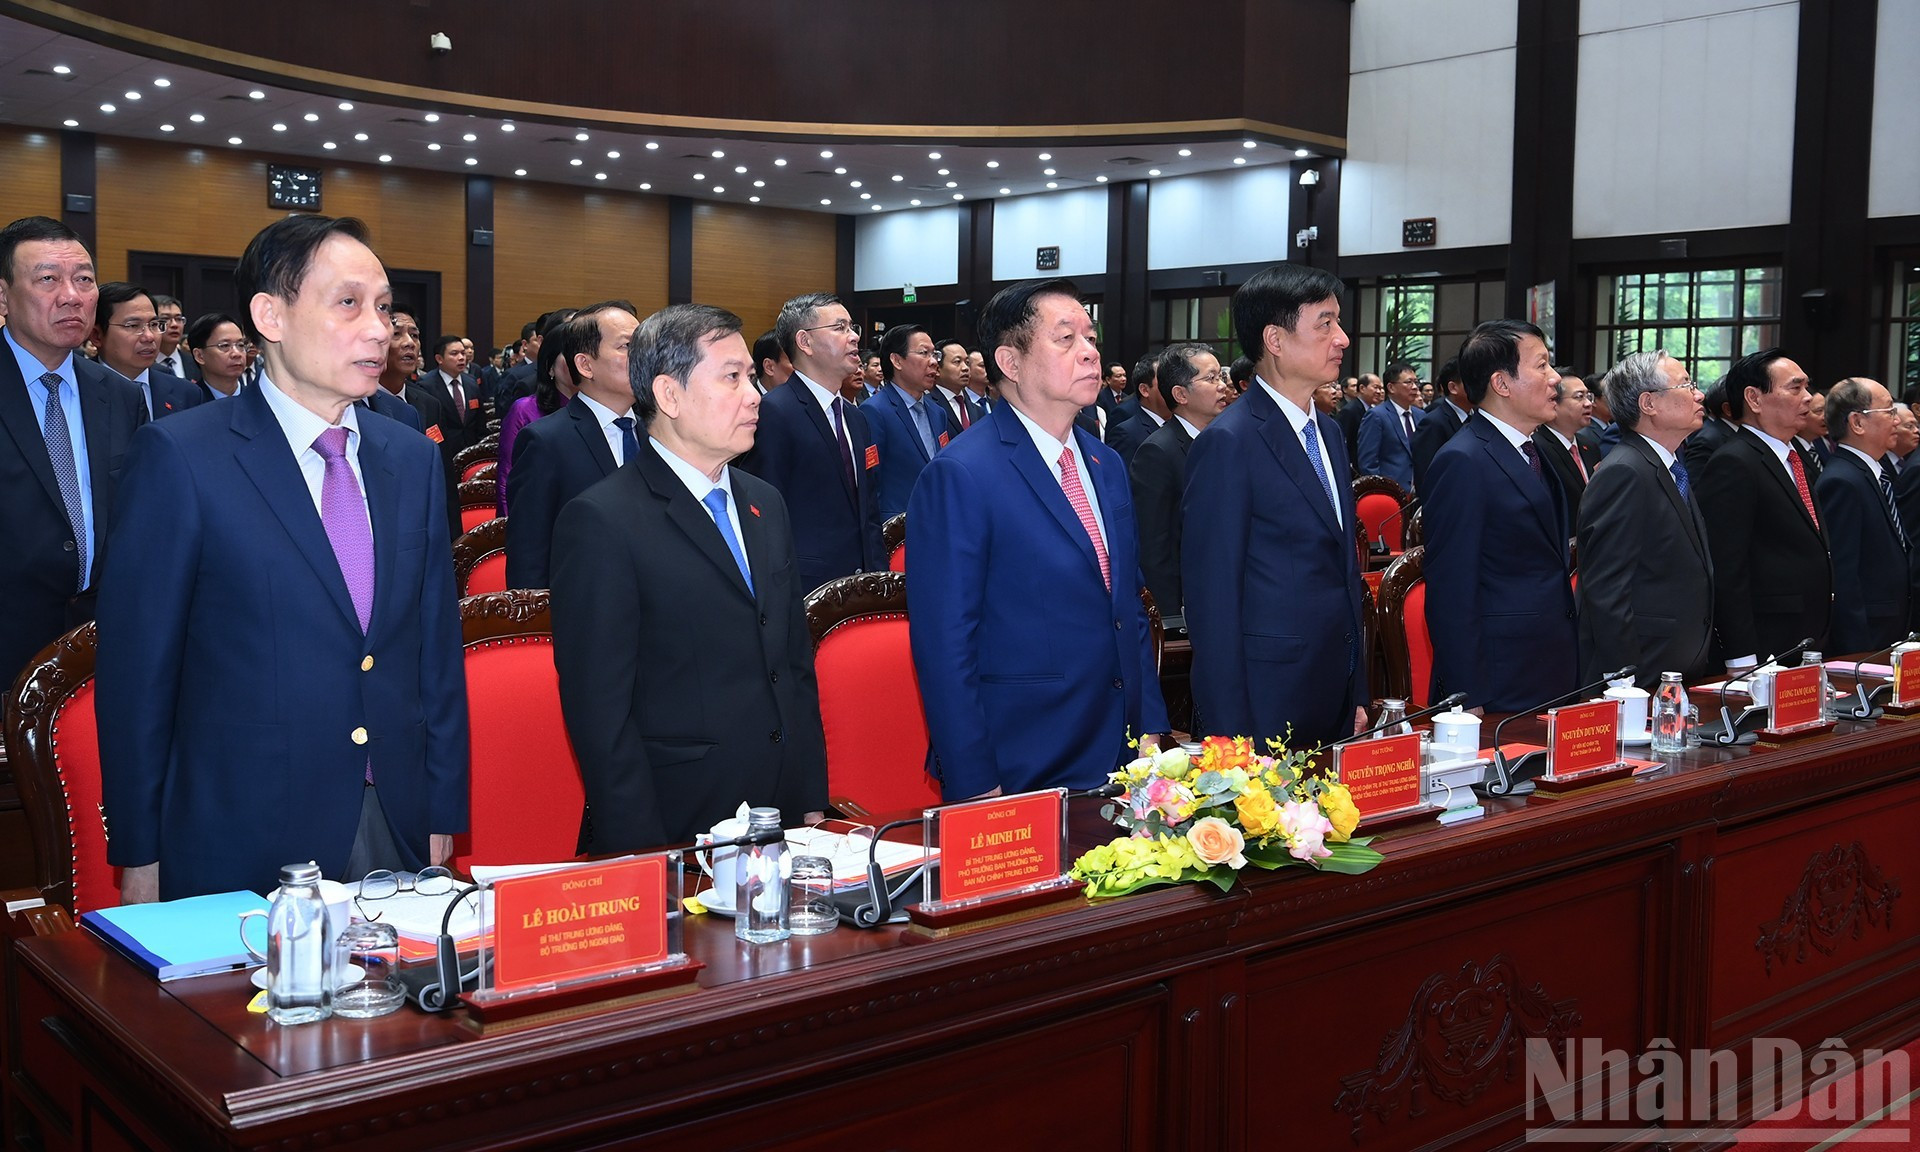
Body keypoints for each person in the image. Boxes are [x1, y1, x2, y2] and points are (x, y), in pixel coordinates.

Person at [95, 214, 469, 901]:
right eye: (349, 303)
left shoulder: (410, 457)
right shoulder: (183, 457)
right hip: (242, 829)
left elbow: (435, 651)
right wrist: (140, 852)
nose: (379, 329)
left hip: (395, 817)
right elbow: (138, 677)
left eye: (384, 307)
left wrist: (442, 806)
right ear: (270, 316)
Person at [550, 303, 827, 851]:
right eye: (732, 377)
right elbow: (600, 713)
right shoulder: (602, 520)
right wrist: (643, 850)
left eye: (751, 377)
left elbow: (794, 664)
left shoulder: (765, 503)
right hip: (675, 820)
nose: (755, 395)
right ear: (669, 396)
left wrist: (809, 795)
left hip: (780, 812)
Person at [908, 279, 1169, 798]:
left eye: (1090, 337)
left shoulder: (1106, 463)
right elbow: (945, 644)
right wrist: (975, 780)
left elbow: (1129, 605)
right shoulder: (962, 473)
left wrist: (1150, 727)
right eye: (1066, 338)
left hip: (1121, 752)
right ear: (1010, 361)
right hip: (1022, 759)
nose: (1090, 352)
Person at [1183, 265, 1370, 747]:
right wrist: (1228, 731)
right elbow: (1213, 598)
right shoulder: (1230, 441)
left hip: (1335, 686)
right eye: (1325, 324)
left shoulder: (1329, 433)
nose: (1342, 339)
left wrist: (1358, 691)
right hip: (1266, 699)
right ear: (1275, 339)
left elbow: (1343, 569)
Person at [0, 216, 146, 688]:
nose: (72, 296)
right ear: (3, 296)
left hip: (102, 650)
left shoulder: (121, 396)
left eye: (84, 279)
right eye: (48, 279)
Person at [1423, 319, 1577, 712]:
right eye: (1541, 365)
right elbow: (1452, 589)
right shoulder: (1463, 459)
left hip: (1550, 668)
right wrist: (1468, 695)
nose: (1555, 378)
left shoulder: (1533, 449)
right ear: (1502, 383)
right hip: (1498, 682)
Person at [1575, 351, 1714, 688]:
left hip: (1675, 663)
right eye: (1686, 385)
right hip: (1641, 671)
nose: (1699, 395)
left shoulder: (1668, 466)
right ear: (1649, 403)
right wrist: (1621, 679)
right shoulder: (1625, 471)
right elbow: (1607, 585)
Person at [736, 292, 885, 594]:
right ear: (805, 342)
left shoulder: (855, 418)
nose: (854, 337)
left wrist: (878, 575)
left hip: (862, 584)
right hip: (806, 587)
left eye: (852, 327)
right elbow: (764, 515)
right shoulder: (775, 412)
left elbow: (868, 509)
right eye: (840, 328)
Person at [1696, 348, 1832, 669]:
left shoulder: (1793, 455)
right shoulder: (1735, 461)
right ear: (1754, 399)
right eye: (1795, 388)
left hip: (1806, 636)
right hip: (1765, 644)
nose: (1808, 397)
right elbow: (1727, 566)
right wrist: (1740, 654)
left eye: (1806, 387)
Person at [506, 304, 641, 590]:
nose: (644, 355)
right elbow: (529, 553)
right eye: (628, 346)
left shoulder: (657, 433)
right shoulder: (546, 441)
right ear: (585, 365)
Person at [1130, 341, 1232, 625]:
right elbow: (1154, 548)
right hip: (1187, 607)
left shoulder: (1226, 441)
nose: (1222, 386)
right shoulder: (1157, 452)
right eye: (1211, 378)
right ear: (1180, 394)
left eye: (1221, 376)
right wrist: (1170, 619)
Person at [1813, 378, 1910, 654]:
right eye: (1889, 411)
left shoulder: (1873, 472)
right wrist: (1857, 651)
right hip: (1867, 638)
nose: (1897, 420)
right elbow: (1842, 574)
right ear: (1857, 422)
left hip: (1889, 628)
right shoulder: (1842, 481)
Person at [863, 323, 955, 518]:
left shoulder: (937, 412)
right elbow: (871, 482)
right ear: (897, 361)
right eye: (924, 353)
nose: (933, 362)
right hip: (896, 527)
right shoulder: (874, 411)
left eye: (935, 354)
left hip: (937, 519)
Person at [495, 316, 577, 516]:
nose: (578, 361)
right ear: (550, 366)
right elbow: (507, 477)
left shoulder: (598, 408)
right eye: (569, 353)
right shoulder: (524, 410)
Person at [89, 281, 202, 420]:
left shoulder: (187, 394)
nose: (149, 336)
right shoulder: (79, 390)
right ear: (97, 335)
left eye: (154, 324)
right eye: (133, 325)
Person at [1532, 370, 1604, 527]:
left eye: (1589, 396)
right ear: (1553, 402)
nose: (1588, 403)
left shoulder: (1590, 446)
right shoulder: (1536, 447)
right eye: (1579, 397)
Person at [1356, 360, 1424, 489]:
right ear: (1391, 387)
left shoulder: (1420, 415)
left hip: (1419, 490)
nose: (1415, 387)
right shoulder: (1377, 416)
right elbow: (1368, 462)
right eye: (1409, 382)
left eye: (1416, 382)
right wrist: (1380, 490)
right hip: (1390, 491)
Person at [1410, 356, 1469, 492]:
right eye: (1472, 381)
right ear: (1453, 387)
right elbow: (1426, 477)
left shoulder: (1475, 417)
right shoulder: (1433, 423)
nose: (1480, 386)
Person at [186, 312, 248, 398]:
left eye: (240, 345)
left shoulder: (258, 399)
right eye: (225, 345)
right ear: (199, 356)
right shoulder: (189, 401)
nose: (236, 353)